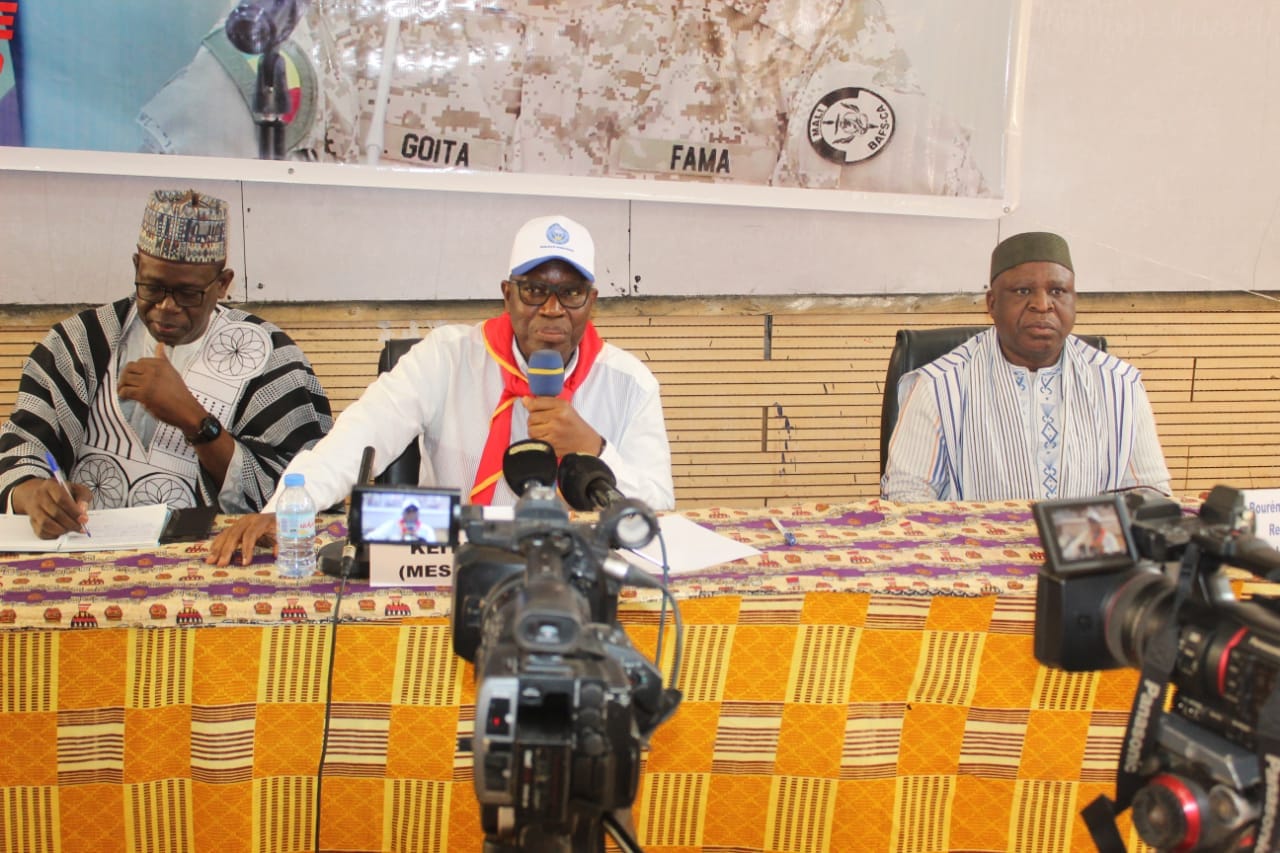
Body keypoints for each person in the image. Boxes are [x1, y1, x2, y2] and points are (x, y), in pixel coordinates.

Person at [208, 213, 675, 565]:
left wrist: (595, 449)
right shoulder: (446, 358)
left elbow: (659, 508)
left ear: (591, 302)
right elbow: (361, 433)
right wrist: (288, 509)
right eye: (534, 290)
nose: (552, 309)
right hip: (451, 566)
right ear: (507, 294)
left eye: (571, 293)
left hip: (578, 566)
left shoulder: (629, 384)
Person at [0, 189, 334, 538]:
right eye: (152, 287)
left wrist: (195, 421)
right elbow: (23, 448)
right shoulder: (80, 343)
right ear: (136, 267)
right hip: (82, 549)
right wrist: (32, 494)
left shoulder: (270, 359)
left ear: (222, 284)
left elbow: (299, 490)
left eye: (188, 294)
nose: (166, 307)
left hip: (209, 558)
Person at [881, 231, 1172, 502]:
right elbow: (906, 497)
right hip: (974, 541)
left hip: (1086, 541)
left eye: (1057, 291)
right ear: (992, 303)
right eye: (1022, 291)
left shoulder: (1120, 385)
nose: (1042, 305)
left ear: (1074, 301)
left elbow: (1151, 494)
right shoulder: (939, 386)